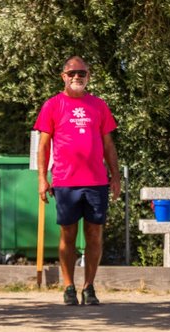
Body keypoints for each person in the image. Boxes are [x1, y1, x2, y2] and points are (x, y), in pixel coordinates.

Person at [34, 55, 121, 305]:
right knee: (68, 235)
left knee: (94, 234)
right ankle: (69, 286)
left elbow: (108, 144)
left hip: (96, 182)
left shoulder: (99, 105)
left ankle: (89, 287)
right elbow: (43, 146)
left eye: (81, 73)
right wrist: (42, 178)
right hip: (65, 181)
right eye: (71, 73)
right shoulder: (52, 105)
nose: (76, 77)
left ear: (88, 76)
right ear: (63, 77)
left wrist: (115, 177)